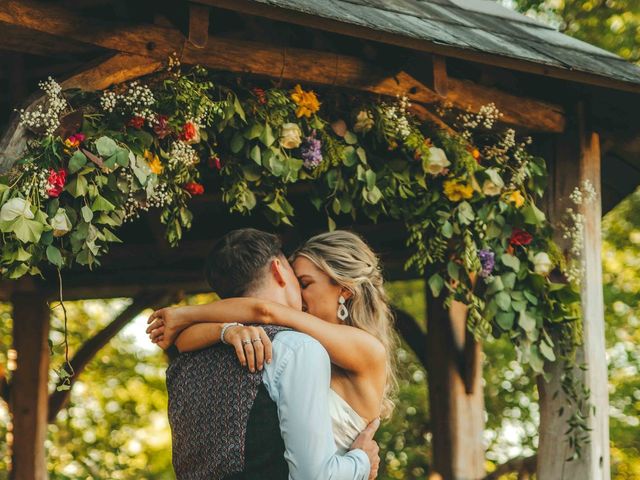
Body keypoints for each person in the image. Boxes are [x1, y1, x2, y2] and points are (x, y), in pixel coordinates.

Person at [148, 230, 398, 457]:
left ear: (344, 289)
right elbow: (184, 341)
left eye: (305, 283)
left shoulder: (368, 348)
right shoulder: (299, 341)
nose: (298, 295)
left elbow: (265, 311)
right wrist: (226, 331)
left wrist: (184, 314)